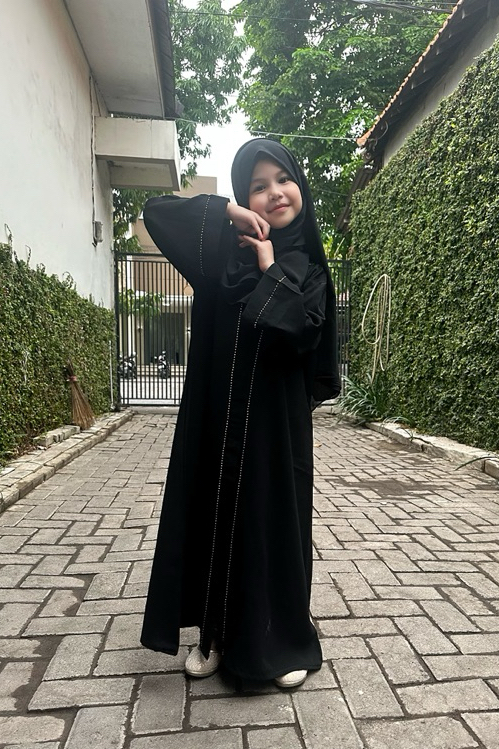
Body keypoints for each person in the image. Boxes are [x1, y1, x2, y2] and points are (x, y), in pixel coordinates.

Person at [139, 138, 340, 688]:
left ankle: (282, 642)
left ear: (300, 186)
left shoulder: (310, 270)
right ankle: (214, 636)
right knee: (215, 521)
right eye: (258, 185)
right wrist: (228, 212)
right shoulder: (221, 255)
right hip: (219, 423)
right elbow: (158, 213)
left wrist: (271, 266)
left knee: (271, 528)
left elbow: (299, 330)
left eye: (284, 179)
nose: (275, 192)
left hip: (277, 433)